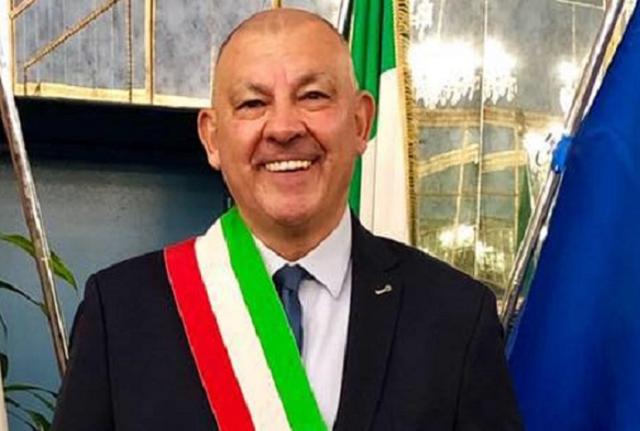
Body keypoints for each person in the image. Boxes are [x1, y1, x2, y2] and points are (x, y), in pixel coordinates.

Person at [52, 8, 522, 431]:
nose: (283, 128)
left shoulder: (455, 317)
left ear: (360, 123)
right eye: (252, 103)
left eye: (313, 96)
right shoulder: (121, 311)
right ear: (212, 138)